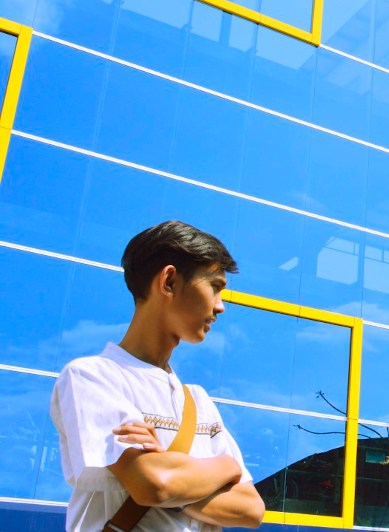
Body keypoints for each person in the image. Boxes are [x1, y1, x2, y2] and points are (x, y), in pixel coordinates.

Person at [49, 220, 264, 531]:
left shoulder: (198, 401)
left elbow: (251, 509)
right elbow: (154, 485)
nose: (220, 307)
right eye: (215, 287)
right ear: (169, 281)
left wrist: (172, 470)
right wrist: (224, 466)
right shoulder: (91, 377)